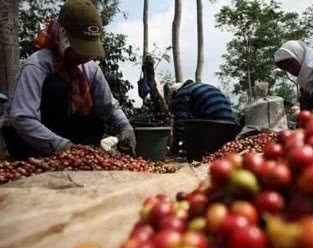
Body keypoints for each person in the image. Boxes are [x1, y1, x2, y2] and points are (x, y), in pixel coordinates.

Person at [3, 0, 136, 160]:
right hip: (32, 147)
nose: (85, 56)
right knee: (56, 87)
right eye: (80, 48)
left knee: (94, 116)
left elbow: (108, 107)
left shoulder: (90, 69)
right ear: (63, 38)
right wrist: (63, 147)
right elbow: (22, 117)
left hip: (73, 145)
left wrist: (125, 127)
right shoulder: (37, 66)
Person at [164, 79, 235, 153]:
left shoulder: (182, 93)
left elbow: (180, 122)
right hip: (230, 129)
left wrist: (174, 148)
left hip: (213, 127)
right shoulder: (201, 87)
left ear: (175, 93)